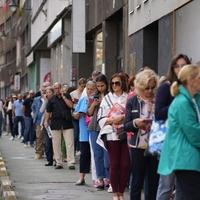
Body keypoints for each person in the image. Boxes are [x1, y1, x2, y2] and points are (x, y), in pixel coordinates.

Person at [158, 64, 200, 200]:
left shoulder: (192, 99)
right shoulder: (182, 102)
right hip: (186, 158)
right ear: (191, 80)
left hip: (188, 158)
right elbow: (194, 133)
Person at [155, 54, 191, 200]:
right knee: (166, 185)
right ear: (172, 69)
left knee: (183, 186)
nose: (180, 69)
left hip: (188, 142)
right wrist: (178, 106)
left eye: (183, 65)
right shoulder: (166, 87)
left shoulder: (193, 87)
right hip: (168, 142)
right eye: (177, 66)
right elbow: (158, 113)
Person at [124, 69, 159, 200]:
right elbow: (126, 125)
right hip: (138, 146)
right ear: (140, 87)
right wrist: (135, 123)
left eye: (152, 87)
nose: (150, 91)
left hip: (155, 146)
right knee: (137, 180)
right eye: (146, 88)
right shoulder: (133, 101)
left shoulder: (159, 100)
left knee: (153, 181)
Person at [98, 73, 129, 200]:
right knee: (115, 164)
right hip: (111, 134)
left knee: (126, 164)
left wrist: (123, 118)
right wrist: (112, 120)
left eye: (118, 83)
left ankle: (121, 192)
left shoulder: (128, 97)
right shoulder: (107, 99)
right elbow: (101, 117)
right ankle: (115, 193)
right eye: (113, 83)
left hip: (126, 133)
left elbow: (132, 113)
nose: (115, 85)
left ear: (123, 83)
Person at [44, 82, 75, 169]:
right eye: (55, 88)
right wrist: (46, 121)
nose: (57, 90)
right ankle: (58, 162)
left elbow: (71, 106)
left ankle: (71, 162)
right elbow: (48, 111)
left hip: (67, 123)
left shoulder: (67, 96)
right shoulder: (51, 99)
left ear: (61, 88)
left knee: (69, 143)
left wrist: (64, 97)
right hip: (55, 123)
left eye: (58, 88)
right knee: (56, 144)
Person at [87, 74, 110, 190]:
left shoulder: (110, 96)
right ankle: (100, 178)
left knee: (107, 154)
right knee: (97, 154)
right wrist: (95, 104)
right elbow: (89, 113)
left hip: (106, 126)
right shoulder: (93, 96)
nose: (100, 88)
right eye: (98, 86)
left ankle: (108, 178)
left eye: (102, 86)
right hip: (94, 126)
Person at [74, 80, 96, 185]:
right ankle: (82, 177)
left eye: (92, 89)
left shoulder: (97, 100)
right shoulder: (83, 99)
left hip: (95, 131)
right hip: (84, 132)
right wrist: (77, 114)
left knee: (96, 155)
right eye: (88, 89)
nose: (90, 91)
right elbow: (75, 113)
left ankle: (98, 179)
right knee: (84, 155)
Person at [70, 78, 87, 154]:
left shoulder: (86, 93)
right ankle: (73, 151)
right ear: (79, 85)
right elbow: (70, 105)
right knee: (75, 134)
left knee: (82, 133)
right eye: (82, 86)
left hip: (83, 116)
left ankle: (80, 149)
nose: (83, 88)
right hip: (75, 115)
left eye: (84, 86)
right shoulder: (73, 94)